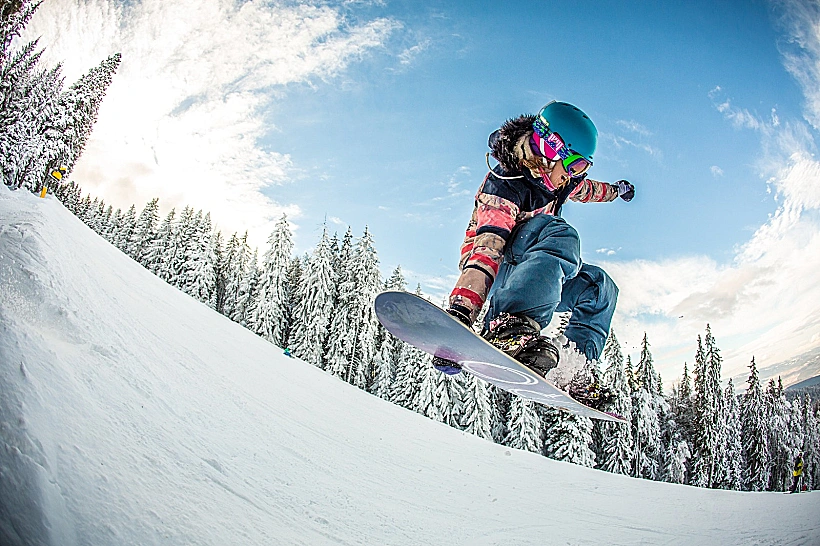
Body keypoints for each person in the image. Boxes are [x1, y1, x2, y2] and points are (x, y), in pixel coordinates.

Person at [433, 101, 634, 407]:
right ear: (550, 149)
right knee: (557, 231)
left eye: (582, 167)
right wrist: (461, 315)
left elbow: (589, 190)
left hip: (539, 275)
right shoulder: (505, 185)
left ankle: (574, 367)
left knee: (600, 286)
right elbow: (486, 250)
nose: (573, 176)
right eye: (574, 165)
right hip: (500, 274)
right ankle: (508, 325)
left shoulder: (559, 182)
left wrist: (616, 191)